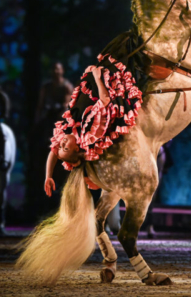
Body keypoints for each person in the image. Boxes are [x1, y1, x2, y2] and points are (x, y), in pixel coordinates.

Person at [44, 54, 142, 197]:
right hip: (107, 92)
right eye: (65, 147)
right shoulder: (90, 134)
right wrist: (97, 77)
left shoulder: (64, 132)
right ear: (77, 147)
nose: (62, 142)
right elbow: (105, 100)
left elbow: (53, 152)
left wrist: (48, 176)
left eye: (61, 146)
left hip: (89, 91)